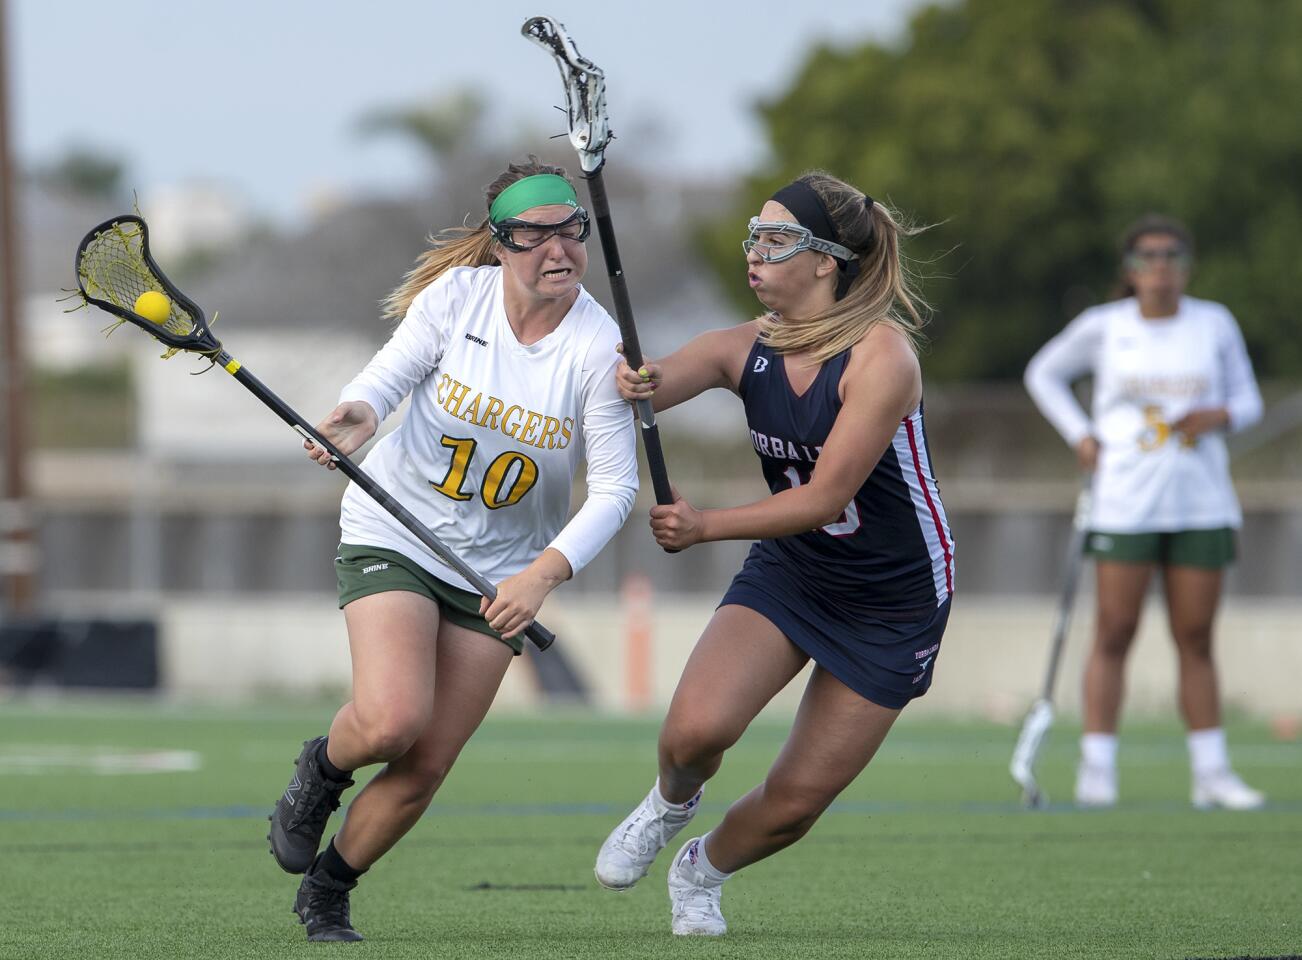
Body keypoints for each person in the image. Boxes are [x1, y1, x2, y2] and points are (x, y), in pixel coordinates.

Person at [266, 156, 638, 941]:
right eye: (534, 236)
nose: (558, 250)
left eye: (570, 231)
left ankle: (330, 888)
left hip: (501, 574)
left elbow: (614, 490)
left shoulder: (600, 351)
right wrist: (361, 415)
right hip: (398, 533)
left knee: (426, 763)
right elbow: (386, 380)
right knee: (393, 719)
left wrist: (542, 576)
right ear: (500, 244)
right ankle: (322, 769)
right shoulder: (456, 298)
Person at [593, 172, 954, 936]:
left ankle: (702, 870)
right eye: (753, 236)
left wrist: (705, 524)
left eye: (776, 239)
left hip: (893, 601)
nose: (754, 253)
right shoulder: (742, 348)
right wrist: (628, 380)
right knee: (692, 734)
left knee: (793, 805)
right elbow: (644, 391)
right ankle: (669, 803)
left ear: (826, 262)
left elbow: (826, 497)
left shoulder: (882, 360)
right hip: (797, 572)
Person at [1024, 214, 1265, 810]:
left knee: (1196, 637)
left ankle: (1211, 772)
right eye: (1148, 258)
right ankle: (1097, 772)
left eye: (1172, 257)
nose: (1161, 269)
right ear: (1130, 270)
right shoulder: (1105, 327)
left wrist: (1219, 416)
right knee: (1114, 632)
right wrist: (1081, 432)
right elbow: (1043, 374)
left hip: (1201, 500)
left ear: (1188, 265)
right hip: (1125, 501)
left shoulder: (1214, 323)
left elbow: (1249, 400)